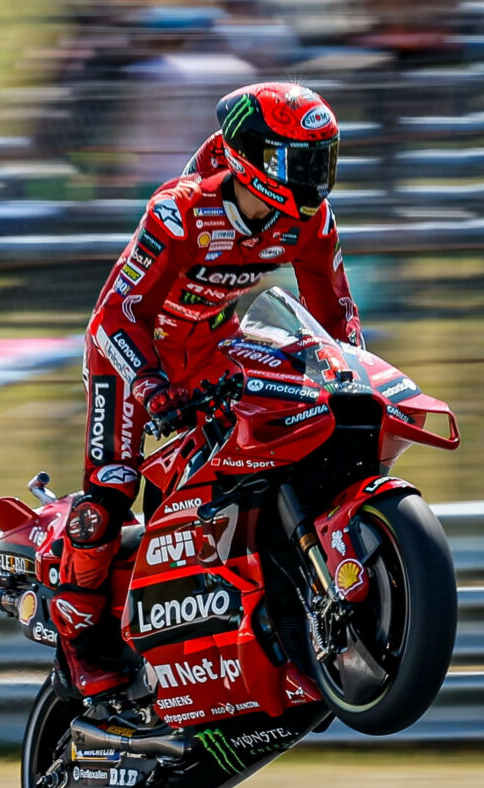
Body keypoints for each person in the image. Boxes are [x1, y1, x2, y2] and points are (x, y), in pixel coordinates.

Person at [53, 81, 363, 700]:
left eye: (321, 159)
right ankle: (81, 632)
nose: (315, 177)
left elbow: (336, 317)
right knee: (113, 490)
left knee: (291, 420)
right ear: (253, 154)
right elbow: (112, 317)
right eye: (301, 159)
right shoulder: (182, 211)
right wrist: (149, 384)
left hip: (214, 347)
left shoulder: (312, 223)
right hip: (133, 357)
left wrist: (355, 377)